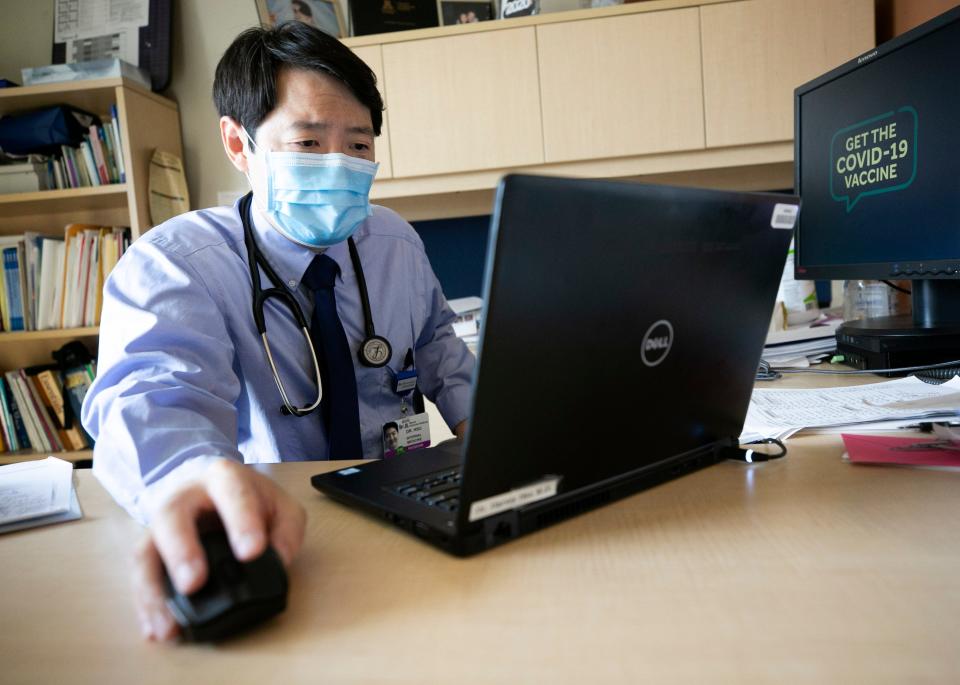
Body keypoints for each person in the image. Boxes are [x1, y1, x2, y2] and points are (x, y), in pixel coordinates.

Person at [81, 21, 475, 641]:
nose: (340, 166)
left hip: (405, 508)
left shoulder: (393, 243)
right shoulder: (175, 264)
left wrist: (494, 425)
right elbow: (152, 397)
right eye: (310, 143)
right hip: (276, 527)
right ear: (240, 146)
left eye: (360, 145)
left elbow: (440, 348)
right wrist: (191, 482)